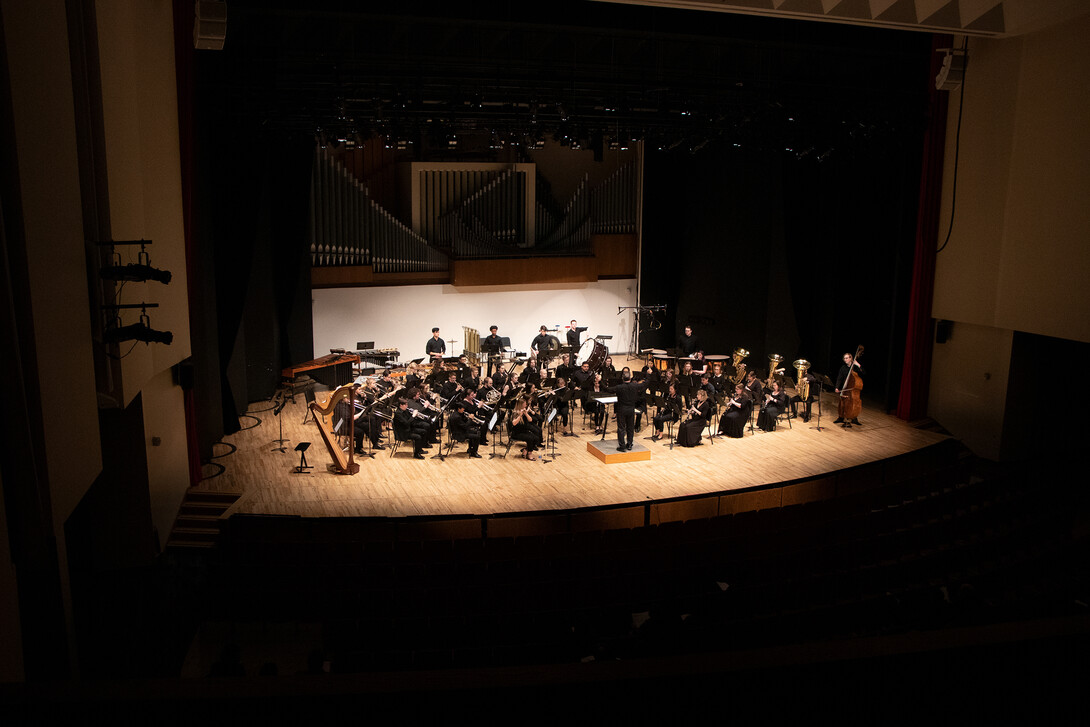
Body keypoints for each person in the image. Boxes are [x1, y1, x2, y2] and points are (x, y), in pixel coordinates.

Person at [608, 370, 644, 451]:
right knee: (630, 428)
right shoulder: (635, 386)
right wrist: (648, 375)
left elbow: (608, 389)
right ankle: (630, 444)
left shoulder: (619, 387)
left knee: (621, 428)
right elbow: (645, 384)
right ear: (630, 378)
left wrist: (600, 382)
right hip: (631, 409)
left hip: (621, 410)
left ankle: (622, 446)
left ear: (622, 378)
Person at [834, 352, 865, 426]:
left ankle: (854, 418)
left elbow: (864, 372)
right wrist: (837, 387)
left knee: (853, 403)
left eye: (847, 358)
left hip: (853, 390)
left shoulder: (856, 368)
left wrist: (858, 364)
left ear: (851, 358)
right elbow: (839, 378)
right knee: (842, 403)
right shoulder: (843, 368)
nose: (845, 360)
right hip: (845, 388)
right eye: (844, 358)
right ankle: (841, 417)